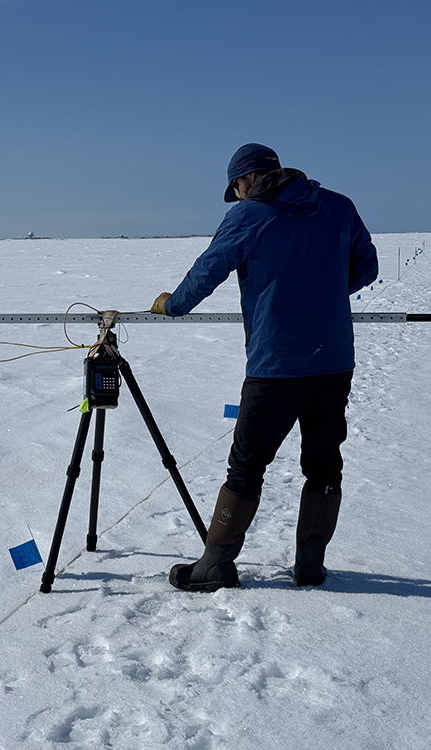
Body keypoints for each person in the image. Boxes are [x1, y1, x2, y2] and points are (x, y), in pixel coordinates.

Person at [151, 143, 378, 591]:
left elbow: (208, 270)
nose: (237, 196)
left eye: (235, 188)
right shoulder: (338, 206)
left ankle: (214, 565)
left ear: (246, 179)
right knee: (324, 463)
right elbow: (366, 268)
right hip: (333, 360)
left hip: (276, 365)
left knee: (247, 464)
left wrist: (172, 306)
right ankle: (311, 565)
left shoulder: (250, 214)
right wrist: (321, 296)